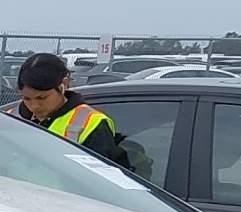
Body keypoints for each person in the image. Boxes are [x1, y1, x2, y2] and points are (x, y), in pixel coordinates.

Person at [10, 53, 143, 175]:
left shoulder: (91, 123)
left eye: (42, 98)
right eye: (26, 98)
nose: (34, 106)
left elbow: (97, 180)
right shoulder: (10, 117)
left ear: (63, 85)